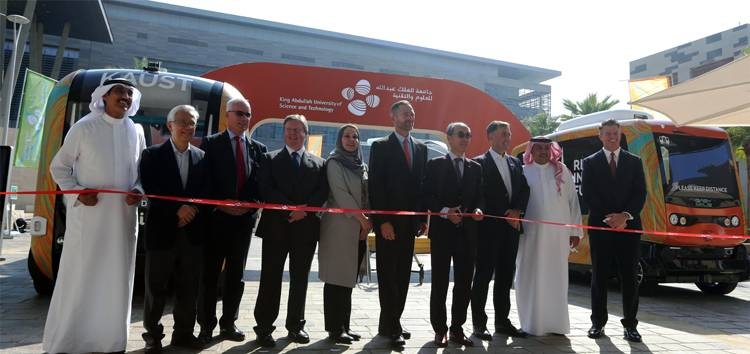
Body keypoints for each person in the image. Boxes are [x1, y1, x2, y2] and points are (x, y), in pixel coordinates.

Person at [43, 78, 146, 354]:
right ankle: (69, 341)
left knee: (117, 278)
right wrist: (77, 193)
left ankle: (111, 341)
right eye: (119, 92)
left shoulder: (136, 131)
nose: (124, 97)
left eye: (128, 93)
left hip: (123, 218)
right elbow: (59, 168)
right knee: (81, 276)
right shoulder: (84, 127)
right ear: (104, 96)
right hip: (89, 217)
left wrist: (138, 189)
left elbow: (140, 173)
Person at [253, 114, 329, 347]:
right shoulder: (269, 159)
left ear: (306, 133)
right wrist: (290, 210)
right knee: (270, 278)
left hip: (305, 231)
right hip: (276, 228)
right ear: (284, 132)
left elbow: (322, 192)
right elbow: (266, 189)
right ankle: (264, 328)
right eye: (289, 130)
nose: (293, 134)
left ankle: (296, 326)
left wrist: (303, 211)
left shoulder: (319, 163)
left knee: (300, 280)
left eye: (298, 130)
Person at [197, 97, 267, 344]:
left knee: (236, 276)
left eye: (248, 114)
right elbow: (203, 182)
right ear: (228, 115)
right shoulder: (210, 144)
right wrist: (220, 204)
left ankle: (229, 324)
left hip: (243, 223)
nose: (244, 119)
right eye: (239, 113)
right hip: (216, 220)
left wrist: (252, 206)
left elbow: (260, 186)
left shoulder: (258, 149)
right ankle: (206, 326)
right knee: (210, 274)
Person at [139, 105, 208, 352]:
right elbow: (151, 187)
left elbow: (205, 192)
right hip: (162, 232)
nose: (187, 127)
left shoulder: (202, 157)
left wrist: (191, 209)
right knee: (155, 288)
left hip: (192, 234)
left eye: (192, 123)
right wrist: (177, 210)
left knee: (189, 287)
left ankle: (184, 334)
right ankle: (153, 336)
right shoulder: (151, 155)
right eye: (182, 122)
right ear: (170, 125)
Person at [368, 100, 428, 347]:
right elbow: (376, 186)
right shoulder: (380, 146)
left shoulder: (421, 148)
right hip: (388, 225)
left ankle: (393, 321)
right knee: (388, 274)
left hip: (410, 225)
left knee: (403, 275)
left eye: (412, 113)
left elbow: (422, 186)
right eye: (405, 114)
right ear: (393, 117)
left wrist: (423, 218)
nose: (410, 117)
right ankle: (391, 325)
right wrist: (382, 221)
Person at [582, 119, 646, 342]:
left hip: (629, 228)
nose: (612, 137)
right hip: (601, 227)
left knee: (629, 277)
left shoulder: (635, 162)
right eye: (607, 133)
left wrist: (625, 216)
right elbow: (589, 194)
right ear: (600, 135)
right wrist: (610, 218)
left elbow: (640, 194)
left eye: (615, 133)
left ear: (621, 135)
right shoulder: (589, 163)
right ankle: (597, 324)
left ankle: (631, 326)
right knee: (599, 276)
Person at [423, 122, 484, 347]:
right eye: (461, 134)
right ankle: (440, 330)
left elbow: (480, 196)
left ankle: (457, 328)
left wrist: (478, 210)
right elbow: (426, 196)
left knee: (464, 284)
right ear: (449, 138)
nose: (465, 138)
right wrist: (445, 212)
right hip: (442, 234)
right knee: (439, 283)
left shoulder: (475, 167)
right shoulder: (435, 165)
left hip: (468, 235)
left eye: (468, 135)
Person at [514, 137, 582, 336]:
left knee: (556, 277)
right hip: (530, 238)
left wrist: (575, 230)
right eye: (539, 148)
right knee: (529, 277)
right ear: (531, 151)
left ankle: (556, 324)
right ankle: (531, 324)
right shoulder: (523, 171)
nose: (543, 152)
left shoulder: (562, 171)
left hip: (558, 237)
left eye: (546, 148)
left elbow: (573, 202)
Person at [470, 120, 529, 340]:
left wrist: (517, 211)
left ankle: (502, 322)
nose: (507, 138)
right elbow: (478, 195)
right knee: (483, 277)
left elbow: (524, 190)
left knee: (505, 278)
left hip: (511, 230)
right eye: (503, 134)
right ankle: (479, 324)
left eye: (509, 133)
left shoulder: (515, 162)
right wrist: (496, 213)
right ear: (491, 137)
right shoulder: (478, 163)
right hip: (487, 231)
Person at [319, 124, 372, 344]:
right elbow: (341, 195)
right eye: (347, 136)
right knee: (335, 279)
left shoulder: (362, 165)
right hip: (339, 229)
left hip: (359, 229)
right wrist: (363, 221)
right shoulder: (334, 162)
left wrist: (366, 224)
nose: (351, 140)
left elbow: (367, 197)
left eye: (355, 137)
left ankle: (345, 326)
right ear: (339, 139)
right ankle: (334, 328)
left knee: (348, 279)